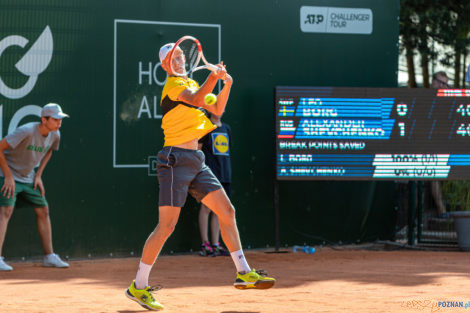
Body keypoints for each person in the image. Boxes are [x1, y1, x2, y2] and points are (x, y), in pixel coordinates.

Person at [126, 42, 275, 311]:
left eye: (182, 56)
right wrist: (213, 77)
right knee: (166, 227)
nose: (179, 61)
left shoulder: (193, 84)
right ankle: (138, 286)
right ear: (165, 66)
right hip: (174, 160)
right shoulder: (173, 87)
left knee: (227, 211)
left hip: (197, 160)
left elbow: (216, 108)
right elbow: (196, 101)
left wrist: (226, 84)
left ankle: (243, 272)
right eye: (173, 58)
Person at [0, 103, 70, 271]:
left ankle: (49, 256)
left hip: (28, 177)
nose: (59, 123)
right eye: (55, 119)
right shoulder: (26, 130)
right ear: (44, 119)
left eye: (60, 119)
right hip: (6, 174)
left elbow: (49, 151)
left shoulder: (55, 135)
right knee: (5, 211)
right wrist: (8, 176)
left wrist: (38, 175)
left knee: (43, 210)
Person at [198, 113, 231, 257]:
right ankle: (205, 244)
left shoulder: (227, 129)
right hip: (209, 174)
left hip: (225, 173)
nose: (220, 110)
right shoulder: (205, 127)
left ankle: (216, 244)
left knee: (219, 210)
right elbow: (198, 150)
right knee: (206, 207)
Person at [430, 71, 449, 216]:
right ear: (433, 81)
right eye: (440, 82)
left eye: (445, 83)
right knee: (434, 175)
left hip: (446, 143)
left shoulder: (448, 101)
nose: (442, 86)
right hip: (429, 145)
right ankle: (442, 210)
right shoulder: (422, 99)